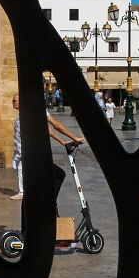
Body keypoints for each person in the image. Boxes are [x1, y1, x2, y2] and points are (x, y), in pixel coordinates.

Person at [8, 94, 85, 232]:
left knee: (30, 192)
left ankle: (26, 227)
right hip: (34, 159)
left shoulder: (24, 116)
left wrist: (64, 142)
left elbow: (48, 128)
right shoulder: (32, 112)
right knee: (58, 176)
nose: (12, 102)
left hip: (28, 160)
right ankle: (48, 206)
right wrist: (75, 138)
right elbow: (56, 125)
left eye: (15, 100)